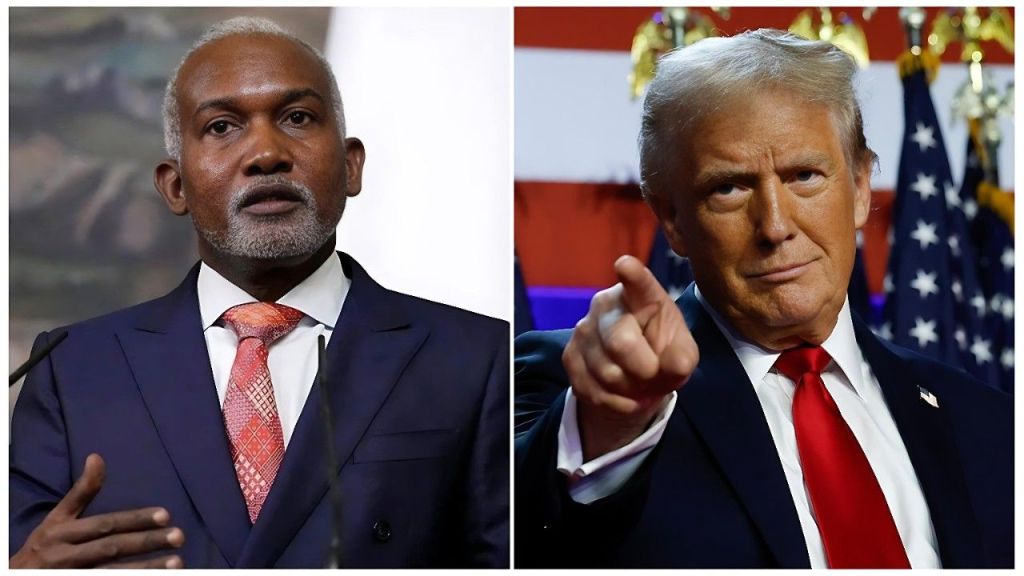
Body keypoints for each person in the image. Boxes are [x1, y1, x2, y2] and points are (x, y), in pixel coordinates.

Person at [10, 17, 509, 568]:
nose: (266, 153)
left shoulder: (477, 358)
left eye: (297, 118)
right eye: (222, 126)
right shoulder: (71, 368)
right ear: (175, 186)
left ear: (350, 166)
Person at [514, 29, 1011, 568]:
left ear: (861, 187)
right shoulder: (578, 388)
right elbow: (508, 533)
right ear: (672, 219)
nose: (775, 226)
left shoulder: (987, 422)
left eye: (804, 176)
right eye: (729, 188)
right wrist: (609, 425)